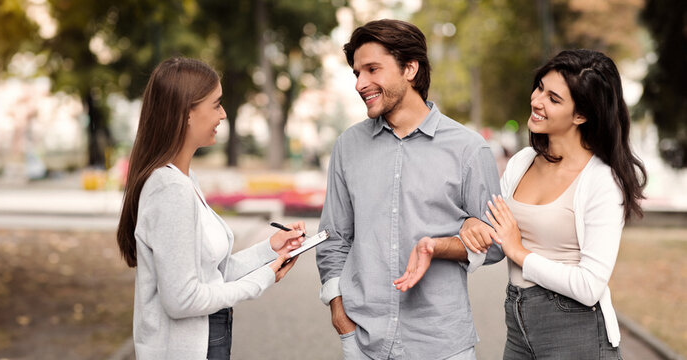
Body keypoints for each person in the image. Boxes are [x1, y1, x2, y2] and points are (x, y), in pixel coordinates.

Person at [315, 19, 504, 360]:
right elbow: (333, 239)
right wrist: (340, 316)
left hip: (443, 343)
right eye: (357, 73)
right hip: (364, 343)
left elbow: (496, 244)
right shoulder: (348, 146)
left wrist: (442, 246)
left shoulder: (469, 149)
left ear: (410, 69)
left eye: (373, 69)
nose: (361, 83)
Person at [460, 49, 646, 359]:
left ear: (581, 115)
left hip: (576, 334)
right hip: (518, 328)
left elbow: (590, 287)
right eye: (540, 87)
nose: (536, 100)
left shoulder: (601, 181)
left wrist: (519, 252)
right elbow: (494, 236)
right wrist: (470, 225)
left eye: (554, 99)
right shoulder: (522, 162)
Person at [116, 57, 306, 359]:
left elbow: (214, 273)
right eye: (216, 104)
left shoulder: (183, 180)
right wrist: (261, 280)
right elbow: (182, 300)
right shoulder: (170, 189)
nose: (223, 113)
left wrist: (271, 249)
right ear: (187, 112)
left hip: (208, 339)